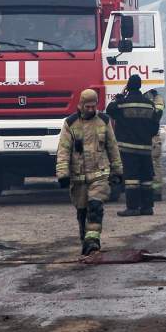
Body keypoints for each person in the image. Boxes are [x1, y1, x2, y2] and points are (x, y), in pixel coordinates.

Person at [56, 89, 122, 258]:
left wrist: (117, 171)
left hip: (99, 175)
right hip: (78, 179)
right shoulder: (70, 124)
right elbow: (63, 150)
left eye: (94, 106)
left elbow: (112, 147)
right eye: (88, 106)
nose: (91, 110)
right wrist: (62, 173)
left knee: (95, 208)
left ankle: (93, 242)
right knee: (83, 212)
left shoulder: (104, 121)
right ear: (81, 105)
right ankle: (86, 239)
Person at [107, 75, 160, 217]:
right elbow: (155, 127)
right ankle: (147, 207)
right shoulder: (150, 104)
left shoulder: (122, 103)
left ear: (128, 86)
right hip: (145, 148)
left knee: (131, 179)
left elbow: (109, 110)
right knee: (146, 179)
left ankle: (132, 208)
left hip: (128, 148)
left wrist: (120, 96)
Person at [148, 88, 166, 201]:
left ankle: (156, 192)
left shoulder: (157, 99)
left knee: (155, 164)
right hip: (149, 136)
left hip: (154, 137)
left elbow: (157, 114)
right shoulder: (150, 98)